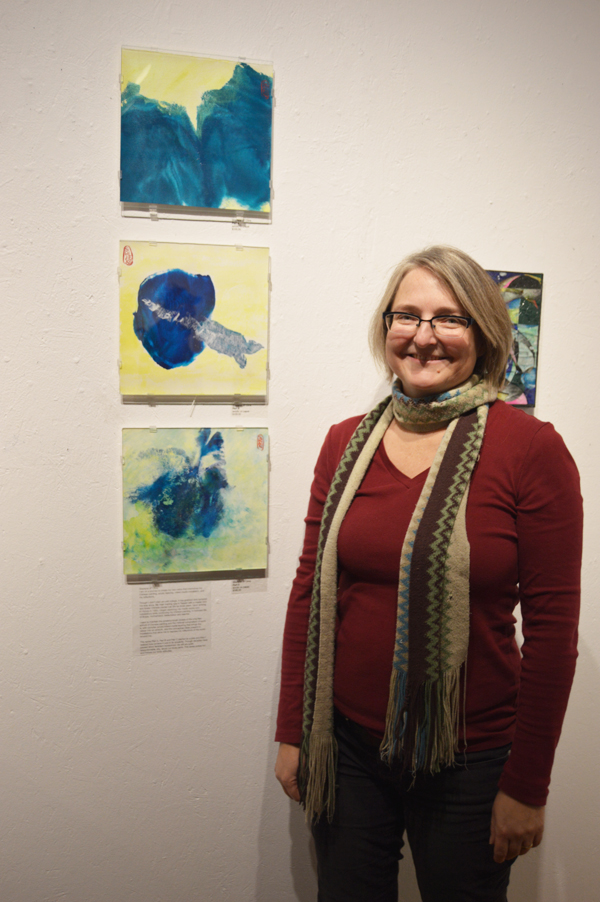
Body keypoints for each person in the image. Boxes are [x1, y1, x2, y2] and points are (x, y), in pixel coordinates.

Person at [274, 245, 582, 902]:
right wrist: (293, 733)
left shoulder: (531, 450)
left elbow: (554, 635)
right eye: (406, 315)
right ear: (385, 327)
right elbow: (309, 592)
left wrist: (527, 787)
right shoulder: (344, 441)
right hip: (347, 747)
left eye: (449, 318)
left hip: (468, 760)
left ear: (485, 334)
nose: (424, 336)